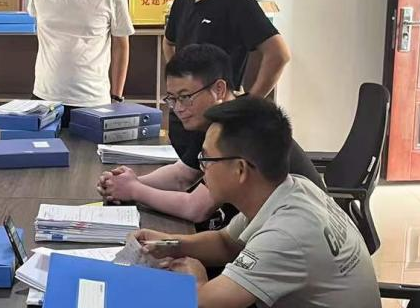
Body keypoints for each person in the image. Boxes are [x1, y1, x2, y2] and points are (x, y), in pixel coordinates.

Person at [133, 97, 385, 308]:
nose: (201, 167)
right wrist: (171, 244)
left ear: (240, 169)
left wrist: (194, 271)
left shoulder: (289, 232)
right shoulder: (293, 189)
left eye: (207, 158)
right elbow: (226, 243)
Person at [98, 44, 322, 228]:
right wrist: (127, 183)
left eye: (185, 97)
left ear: (219, 89)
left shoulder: (238, 127)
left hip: (292, 232)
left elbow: (196, 208)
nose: (178, 108)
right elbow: (183, 175)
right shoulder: (215, 119)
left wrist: (135, 190)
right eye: (172, 99)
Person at [163, 0, 291, 154]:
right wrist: (179, 84)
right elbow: (169, 42)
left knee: (206, 173)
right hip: (184, 114)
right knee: (182, 168)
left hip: (216, 119)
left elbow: (279, 53)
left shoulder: (237, 1)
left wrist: (249, 103)